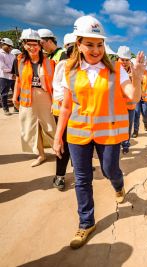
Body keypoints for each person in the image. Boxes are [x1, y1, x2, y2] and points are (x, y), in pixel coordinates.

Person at [52, 15, 143, 249]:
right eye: (90, 44)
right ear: (79, 44)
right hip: (78, 132)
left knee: (109, 169)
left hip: (109, 133)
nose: (96, 49)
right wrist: (57, 137)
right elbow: (66, 106)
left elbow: (133, 97)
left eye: (99, 44)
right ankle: (86, 223)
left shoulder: (116, 71)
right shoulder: (70, 70)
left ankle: (118, 184)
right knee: (82, 179)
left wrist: (139, 75)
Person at [12, 29, 56, 167]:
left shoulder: (50, 62)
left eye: (35, 44)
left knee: (51, 127)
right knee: (30, 128)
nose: (32, 47)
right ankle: (41, 154)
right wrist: (14, 97)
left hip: (45, 97)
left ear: (40, 44)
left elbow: (55, 84)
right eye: (28, 44)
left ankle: (61, 151)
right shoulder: (19, 61)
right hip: (27, 98)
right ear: (24, 45)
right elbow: (18, 80)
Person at [50, 32, 76, 190]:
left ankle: (78, 166)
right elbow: (58, 91)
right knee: (63, 144)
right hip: (62, 111)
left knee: (77, 142)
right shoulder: (63, 65)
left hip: (77, 113)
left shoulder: (85, 67)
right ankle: (59, 175)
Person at [117, 45, 137, 154]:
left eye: (126, 60)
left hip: (130, 105)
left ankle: (125, 144)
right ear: (118, 58)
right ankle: (118, 143)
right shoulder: (113, 70)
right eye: (122, 59)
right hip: (117, 106)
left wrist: (132, 77)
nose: (124, 62)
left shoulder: (133, 72)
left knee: (128, 126)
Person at [133, 57, 147, 137]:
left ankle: (145, 123)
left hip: (145, 98)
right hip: (136, 98)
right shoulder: (135, 72)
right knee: (136, 114)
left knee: (145, 113)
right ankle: (135, 131)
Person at [0, 38, 16, 115]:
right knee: (4, 94)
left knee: (16, 92)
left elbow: (15, 65)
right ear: (3, 45)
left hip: (13, 76)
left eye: (11, 46)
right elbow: (2, 67)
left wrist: (15, 73)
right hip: (4, 77)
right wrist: (12, 72)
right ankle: (6, 109)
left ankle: (16, 108)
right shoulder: (0, 54)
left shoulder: (12, 55)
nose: (10, 48)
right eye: (9, 46)